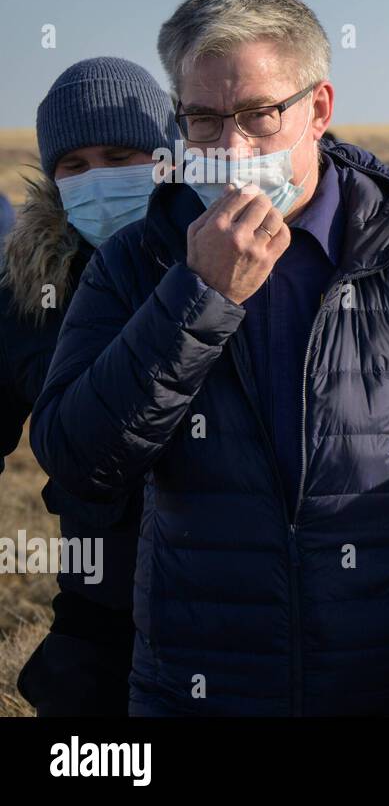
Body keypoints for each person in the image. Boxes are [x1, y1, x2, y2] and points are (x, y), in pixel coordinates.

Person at [30, 0, 389, 716]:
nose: (231, 148)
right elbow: (80, 459)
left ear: (318, 108)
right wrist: (198, 297)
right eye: (203, 120)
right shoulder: (135, 264)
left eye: (257, 114)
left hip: (386, 683)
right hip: (199, 685)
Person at [2, 57, 175, 715]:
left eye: (120, 153)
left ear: (167, 156)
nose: (98, 178)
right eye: (74, 165)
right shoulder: (27, 298)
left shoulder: (232, 267)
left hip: (235, 619)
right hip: (97, 615)